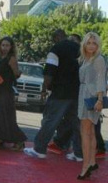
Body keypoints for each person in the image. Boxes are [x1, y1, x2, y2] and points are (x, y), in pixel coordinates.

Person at [24, 29, 82, 161]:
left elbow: (49, 72)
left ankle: (39, 149)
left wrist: (45, 88)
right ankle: (79, 153)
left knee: (50, 120)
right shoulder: (79, 48)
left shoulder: (55, 50)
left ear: (55, 38)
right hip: (77, 91)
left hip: (60, 92)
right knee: (76, 123)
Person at [0, 37, 27, 150]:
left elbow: (16, 74)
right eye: (2, 45)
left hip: (6, 91)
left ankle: (19, 141)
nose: (4, 48)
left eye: (7, 45)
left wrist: (18, 73)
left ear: (11, 47)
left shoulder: (11, 58)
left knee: (6, 116)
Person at [76, 33, 107, 179]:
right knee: (91, 131)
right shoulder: (85, 59)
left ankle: (85, 165)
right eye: (89, 43)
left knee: (85, 132)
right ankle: (92, 161)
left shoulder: (98, 59)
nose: (92, 46)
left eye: (94, 43)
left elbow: (102, 79)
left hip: (91, 96)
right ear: (84, 44)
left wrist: (100, 99)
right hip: (84, 94)